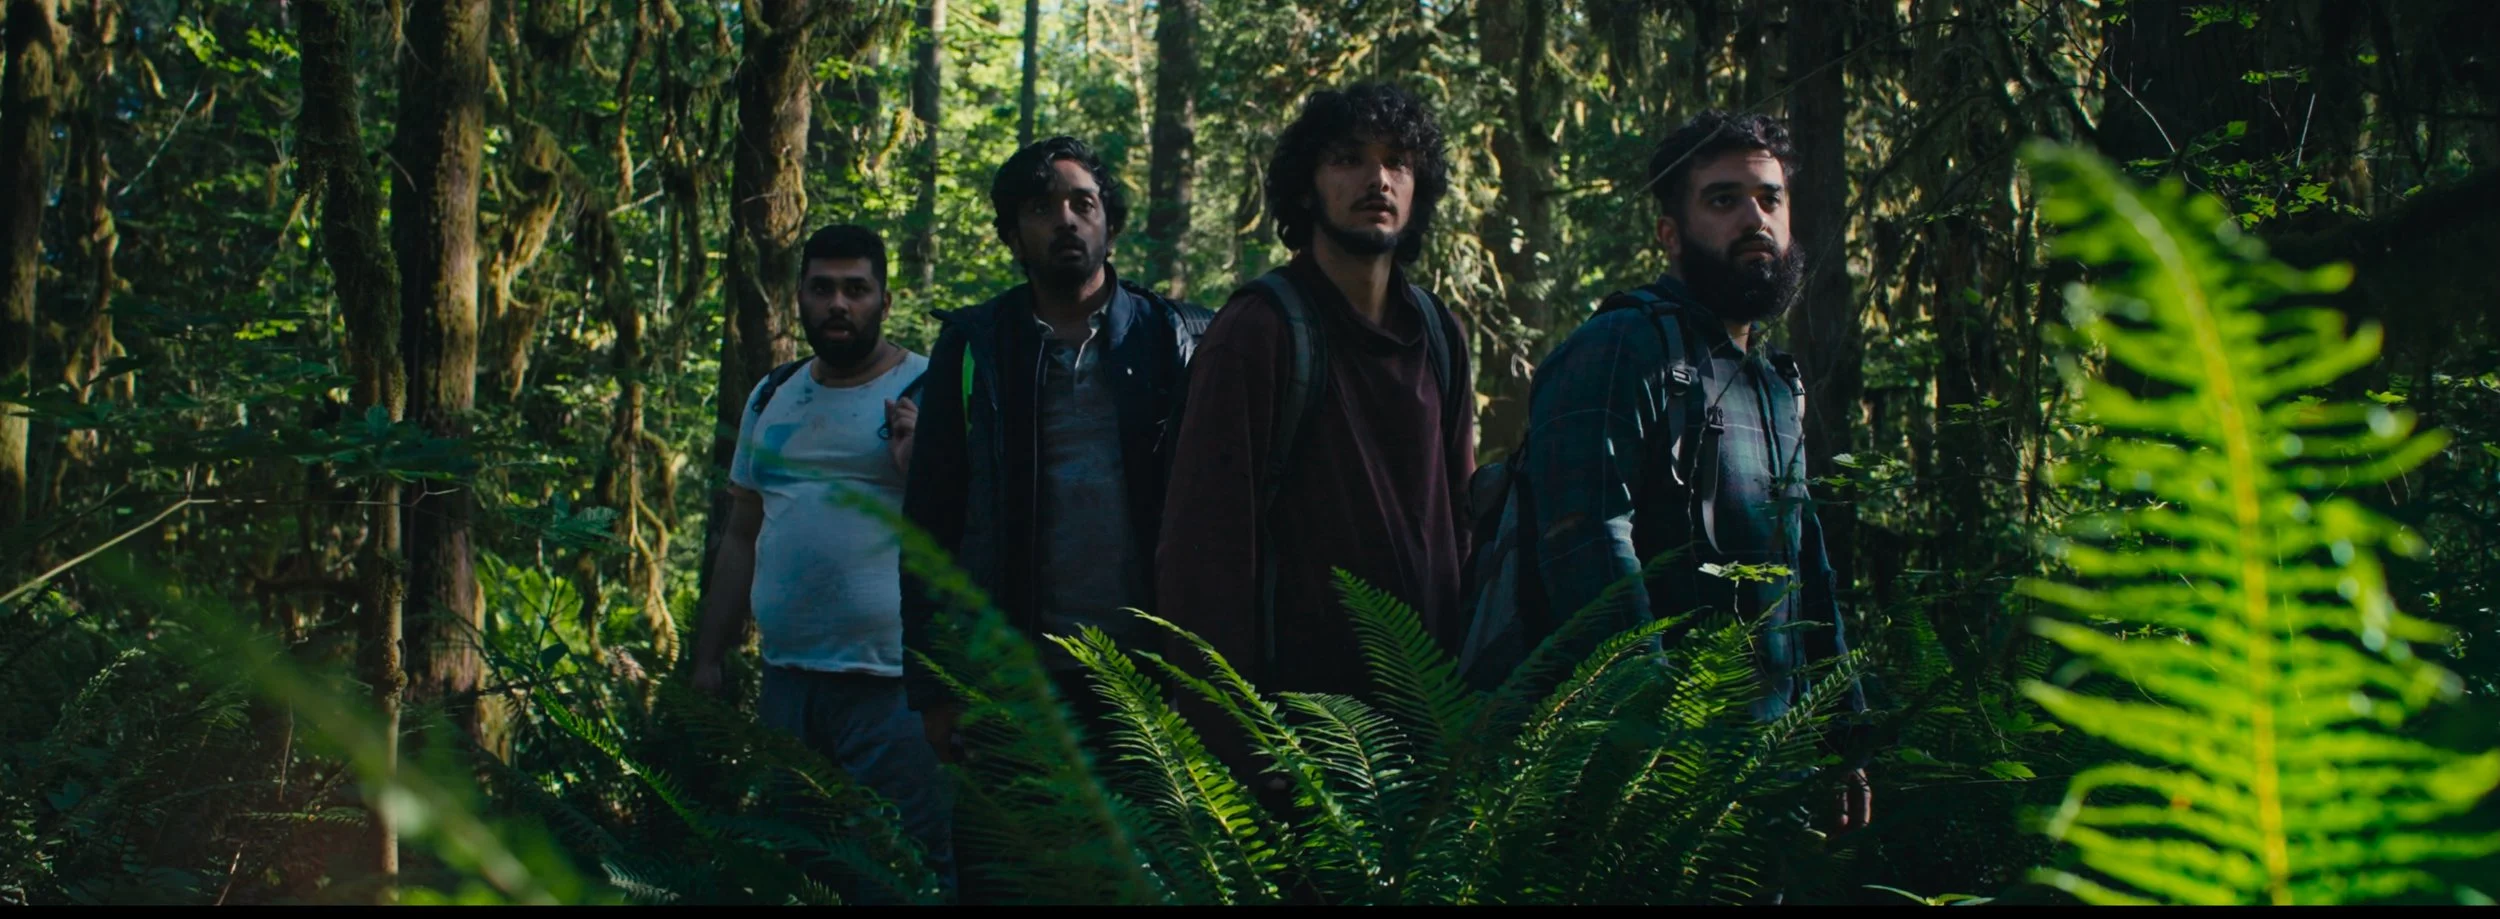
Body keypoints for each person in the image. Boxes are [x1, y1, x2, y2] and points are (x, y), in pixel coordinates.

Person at [1518, 111, 1871, 832]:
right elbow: (1584, 545)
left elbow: (1806, 570)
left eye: (1770, 198)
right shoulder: (1621, 346)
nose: (1755, 218)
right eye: (1723, 199)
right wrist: (1654, 738)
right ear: (1670, 234)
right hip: (1642, 793)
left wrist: (1844, 733)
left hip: (1771, 780)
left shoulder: (1775, 385)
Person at [1156, 83, 1476, 742]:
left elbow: (1463, 525)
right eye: (1348, 159)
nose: (1377, 179)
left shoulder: (1439, 334)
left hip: (1433, 722)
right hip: (1300, 737)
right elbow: (1202, 554)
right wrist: (1237, 741)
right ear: (1306, 187)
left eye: (1397, 162)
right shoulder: (1258, 331)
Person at [900, 136, 1212, 755]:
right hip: (1011, 685)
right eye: (1042, 208)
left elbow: (1223, 521)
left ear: (1110, 226)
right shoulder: (975, 348)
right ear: (1013, 237)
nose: (1066, 220)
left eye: (1083, 203)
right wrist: (936, 688)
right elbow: (932, 523)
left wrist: (1208, 681)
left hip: (1154, 682)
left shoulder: (1177, 340)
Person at [688, 224, 954, 892]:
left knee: (906, 870)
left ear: (885, 301)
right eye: (823, 288)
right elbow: (741, 534)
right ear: (800, 298)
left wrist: (922, 464)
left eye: (856, 289)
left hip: (896, 689)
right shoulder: (772, 393)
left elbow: (975, 532)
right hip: (788, 685)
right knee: (807, 870)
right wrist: (708, 658)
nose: (839, 303)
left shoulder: (932, 388)